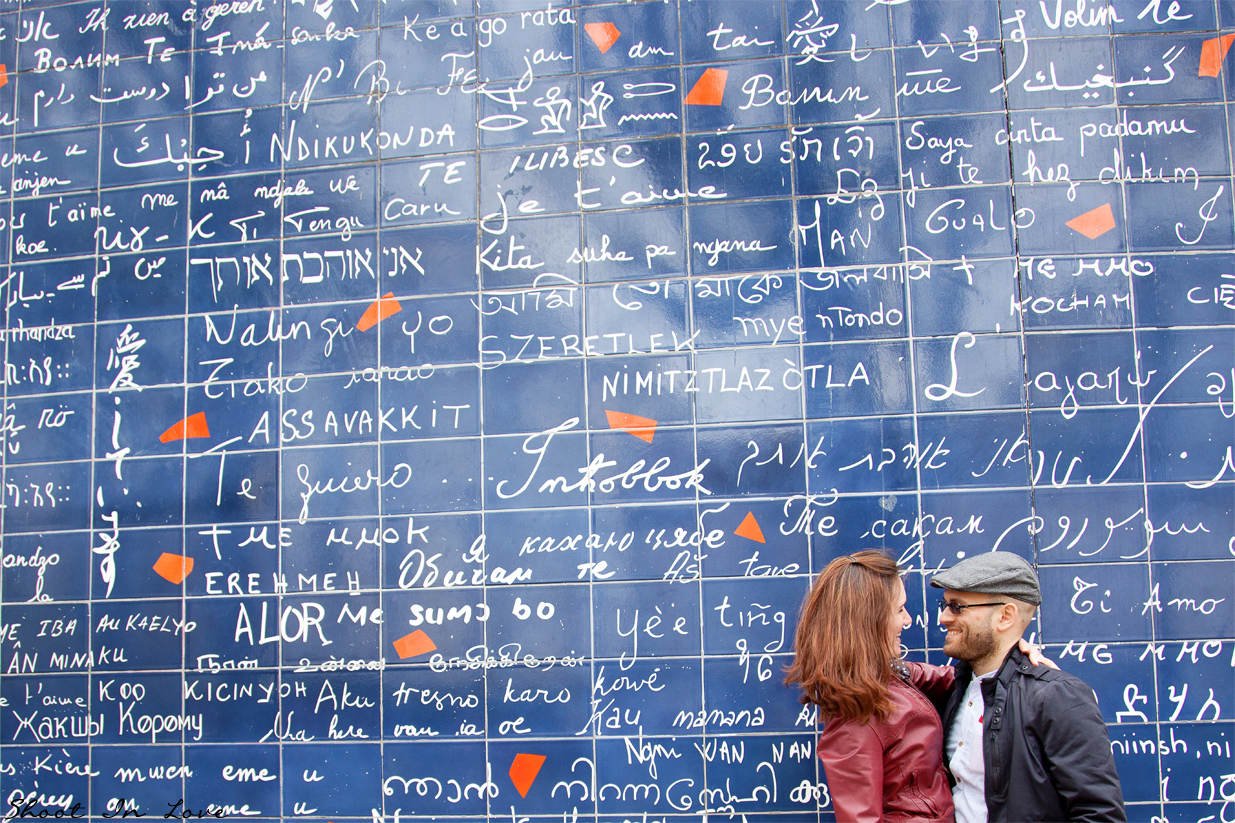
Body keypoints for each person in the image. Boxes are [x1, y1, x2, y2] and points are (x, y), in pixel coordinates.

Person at [931, 552, 1126, 823]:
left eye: (957, 606)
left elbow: (1099, 815)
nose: (943, 617)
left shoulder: (1056, 696)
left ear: (1005, 616)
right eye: (945, 604)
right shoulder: (955, 688)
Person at [787, 550, 957, 822]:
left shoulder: (889, 674)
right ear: (869, 621)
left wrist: (1010, 656)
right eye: (899, 609)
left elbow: (952, 678)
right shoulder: (855, 720)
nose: (907, 619)